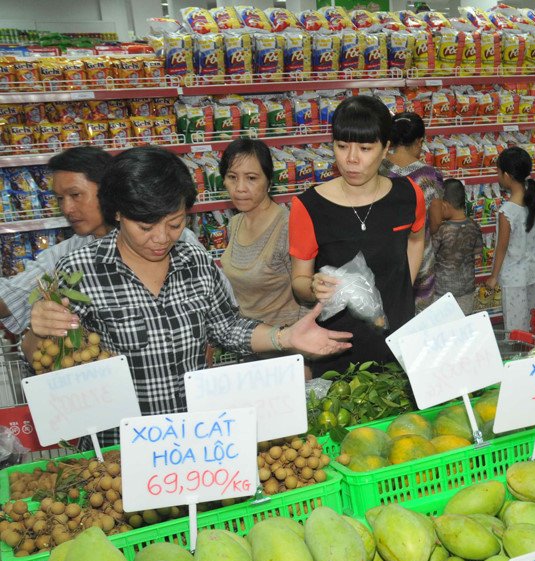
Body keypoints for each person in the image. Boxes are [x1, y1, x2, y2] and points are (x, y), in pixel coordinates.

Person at [24, 146, 348, 439]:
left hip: (193, 441)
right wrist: (38, 331)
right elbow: (45, 360)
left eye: (175, 224)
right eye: (146, 227)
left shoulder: (193, 260)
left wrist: (286, 337)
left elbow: (226, 327)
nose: (161, 239)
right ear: (118, 214)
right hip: (121, 447)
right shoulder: (81, 271)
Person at [0, 147, 217, 336]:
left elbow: (220, 312)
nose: (67, 209)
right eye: (60, 199)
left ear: (110, 191)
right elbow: (11, 298)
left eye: (75, 195)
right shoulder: (68, 258)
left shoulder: (175, 241)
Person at [290, 95, 425, 376]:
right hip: (337, 351)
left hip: (399, 345)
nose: (351, 159)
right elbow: (298, 282)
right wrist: (314, 286)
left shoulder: (409, 195)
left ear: (386, 147)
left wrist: (401, 290)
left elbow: (415, 239)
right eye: (341, 146)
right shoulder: (309, 207)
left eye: (365, 148)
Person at [220, 137, 305, 328]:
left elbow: (307, 296)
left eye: (251, 178)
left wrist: (299, 345)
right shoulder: (235, 223)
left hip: (284, 348)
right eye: (232, 177)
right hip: (245, 341)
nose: (240, 188)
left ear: (269, 181)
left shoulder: (286, 227)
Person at [380, 112, 444, 311]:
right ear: (419, 141)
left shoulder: (376, 169)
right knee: (419, 324)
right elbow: (435, 222)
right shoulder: (430, 175)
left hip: (383, 257)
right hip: (421, 260)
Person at [484, 147, 535, 333]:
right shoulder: (532, 201)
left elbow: (502, 248)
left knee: (515, 328)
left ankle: (519, 357)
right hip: (532, 273)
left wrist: (493, 277)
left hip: (514, 278)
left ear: (506, 174)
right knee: (532, 323)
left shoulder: (507, 211)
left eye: (498, 171)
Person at [434, 179, 482, 314]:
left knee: (444, 327)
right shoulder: (474, 226)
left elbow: (432, 254)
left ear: (445, 205)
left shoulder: (442, 229)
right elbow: (478, 251)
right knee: (462, 325)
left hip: (442, 292)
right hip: (467, 290)